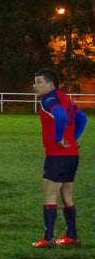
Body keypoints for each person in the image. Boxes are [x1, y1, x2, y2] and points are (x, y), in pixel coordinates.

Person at [31, 68, 87, 248]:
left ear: (50, 84)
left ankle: (48, 239)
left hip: (57, 155)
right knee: (66, 196)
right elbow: (83, 119)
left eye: (39, 82)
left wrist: (57, 138)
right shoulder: (64, 97)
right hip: (72, 155)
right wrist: (73, 139)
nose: (34, 86)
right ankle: (72, 236)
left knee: (50, 195)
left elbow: (61, 115)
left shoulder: (48, 99)